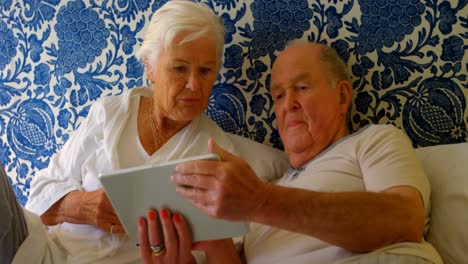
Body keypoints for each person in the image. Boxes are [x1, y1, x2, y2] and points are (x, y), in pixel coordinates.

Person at [21, 1, 288, 263]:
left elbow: (222, 249)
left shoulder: (219, 155)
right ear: (150, 68)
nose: (195, 84)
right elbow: (38, 197)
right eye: (180, 68)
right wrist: (82, 205)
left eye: (205, 70)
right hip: (52, 254)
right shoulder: (110, 113)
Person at [138, 42, 443, 263]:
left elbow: (404, 220)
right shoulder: (268, 188)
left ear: (342, 96)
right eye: (279, 95)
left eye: (302, 88)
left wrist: (260, 201)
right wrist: (202, 247)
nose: (288, 104)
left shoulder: (375, 141)